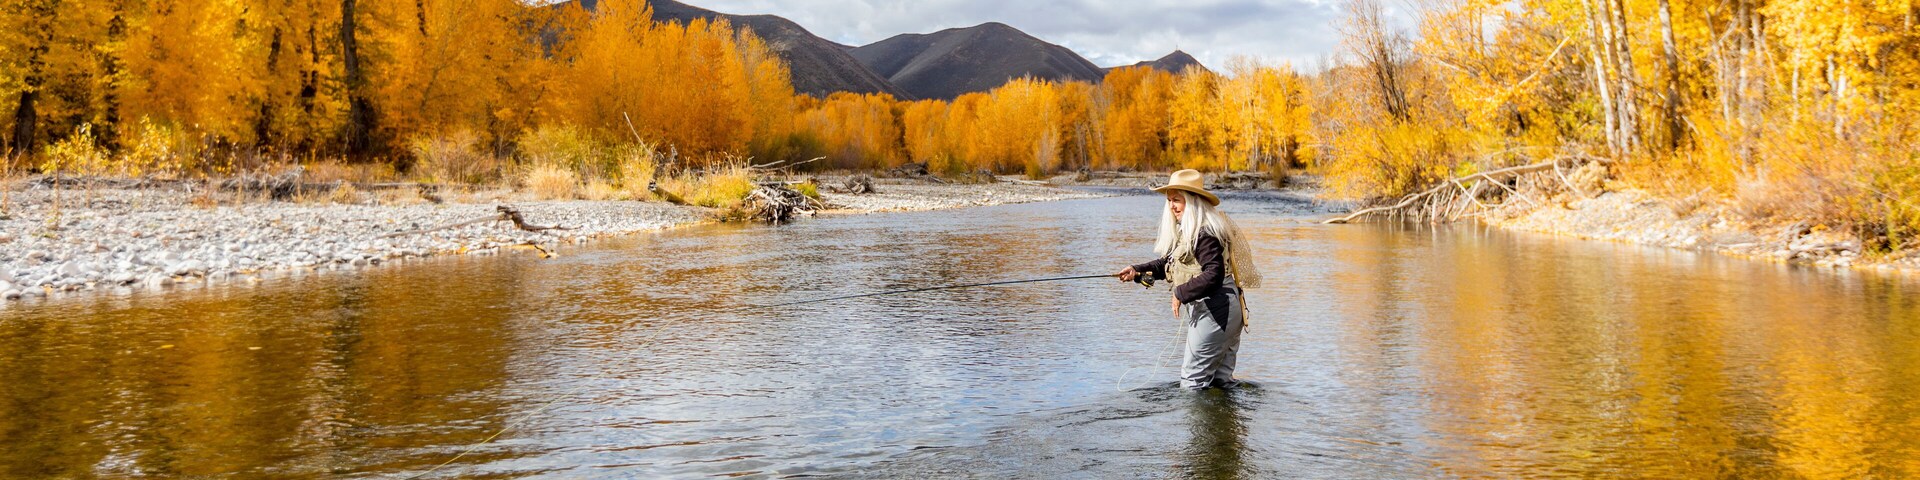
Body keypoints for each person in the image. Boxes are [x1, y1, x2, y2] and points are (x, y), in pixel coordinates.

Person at [1116, 169, 1262, 390]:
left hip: (1216, 309)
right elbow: (1170, 263)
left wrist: (1179, 293)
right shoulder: (1197, 227)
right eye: (1169, 200)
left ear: (1192, 201)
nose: (1172, 206)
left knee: (1192, 381)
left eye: (1177, 200)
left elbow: (1213, 274)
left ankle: (1195, 425)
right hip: (1229, 307)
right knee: (1220, 381)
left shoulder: (1204, 233)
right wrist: (1136, 271)